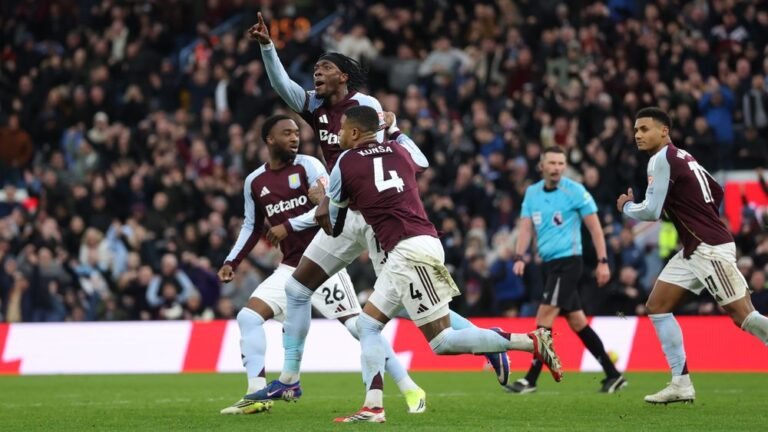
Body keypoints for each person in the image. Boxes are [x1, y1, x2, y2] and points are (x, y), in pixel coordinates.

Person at [246, 12, 512, 401]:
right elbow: (280, 83)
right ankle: (289, 377)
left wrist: (392, 129)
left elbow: (398, 154)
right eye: (316, 69)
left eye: (325, 68)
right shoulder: (314, 107)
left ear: (344, 77)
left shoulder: (364, 104)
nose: (316, 74)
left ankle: (492, 341)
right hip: (342, 215)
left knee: (408, 299)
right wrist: (268, 46)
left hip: (375, 218)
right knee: (299, 288)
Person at [317, 106, 562, 423]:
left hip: (408, 252)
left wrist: (324, 201)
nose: (337, 136)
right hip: (419, 245)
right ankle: (373, 406)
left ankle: (526, 342)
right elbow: (422, 162)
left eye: (341, 131)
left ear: (353, 133)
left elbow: (334, 226)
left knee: (442, 342)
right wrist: (396, 130)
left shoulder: (345, 162)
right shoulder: (396, 148)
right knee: (368, 325)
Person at [217, 115, 424, 415]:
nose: (294, 137)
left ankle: (408, 386)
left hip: (323, 265)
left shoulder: (309, 166)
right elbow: (252, 225)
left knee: (358, 328)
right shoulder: (255, 182)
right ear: (269, 140)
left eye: (296, 132)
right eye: (286, 133)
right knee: (248, 317)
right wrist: (231, 260)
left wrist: (288, 225)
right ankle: (256, 395)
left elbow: (328, 204)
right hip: (290, 267)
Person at [618, 107, 768, 404]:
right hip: (694, 247)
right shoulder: (683, 156)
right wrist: (693, 212)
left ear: (664, 131)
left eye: (645, 129)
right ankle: (681, 383)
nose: (638, 135)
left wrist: (626, 207)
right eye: (635, 130)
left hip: (708, 247)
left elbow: (651, 210)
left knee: (744, 316)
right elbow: (717, 191)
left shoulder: (660, 160)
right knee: (658, 305)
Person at [507, 146, 627, 394]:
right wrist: (520, 256)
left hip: (569, 263)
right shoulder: (532, 193)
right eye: (552, 163)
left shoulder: (575, 191)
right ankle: (613, 374)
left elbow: (595, 229)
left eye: (561, 163)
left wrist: (603, 262)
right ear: (542, 166)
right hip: (549, 265)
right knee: (577, 321)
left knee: (543, 319)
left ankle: (530, 378)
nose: (557, 168)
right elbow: (526, 228)